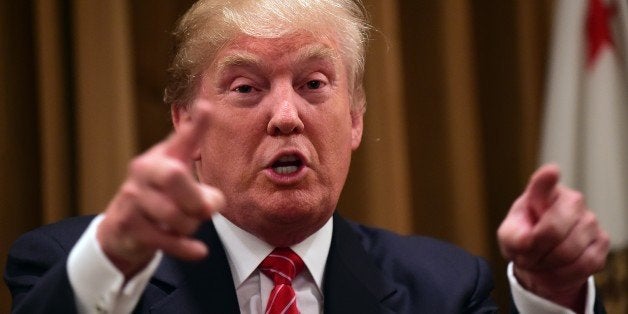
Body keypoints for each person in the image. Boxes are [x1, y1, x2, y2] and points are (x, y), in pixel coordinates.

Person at [5, 0, 609, 313]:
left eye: (315, 84)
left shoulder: (444, 290)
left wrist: (554, 296)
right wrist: (108, 263)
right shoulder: (77, 269)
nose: (287, 115)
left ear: (355, 119)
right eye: (246, 88)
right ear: (185, 122)